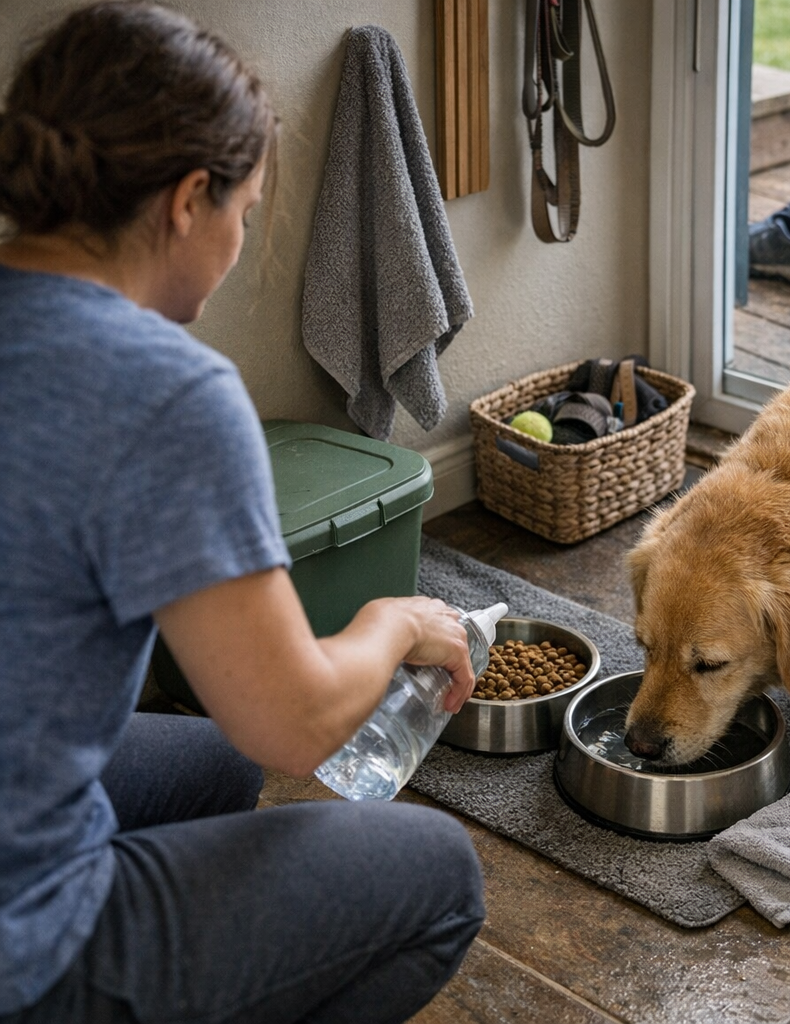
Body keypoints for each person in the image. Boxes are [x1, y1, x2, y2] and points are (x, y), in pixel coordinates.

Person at [0, 3, 485, 1022]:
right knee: (438, 874)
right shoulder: (164, 391)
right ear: (187, 201)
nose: (237, 246)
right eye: (245, 215)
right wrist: (393, 618)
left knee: (210, 754)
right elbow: (296, 726)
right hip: (16, 941)